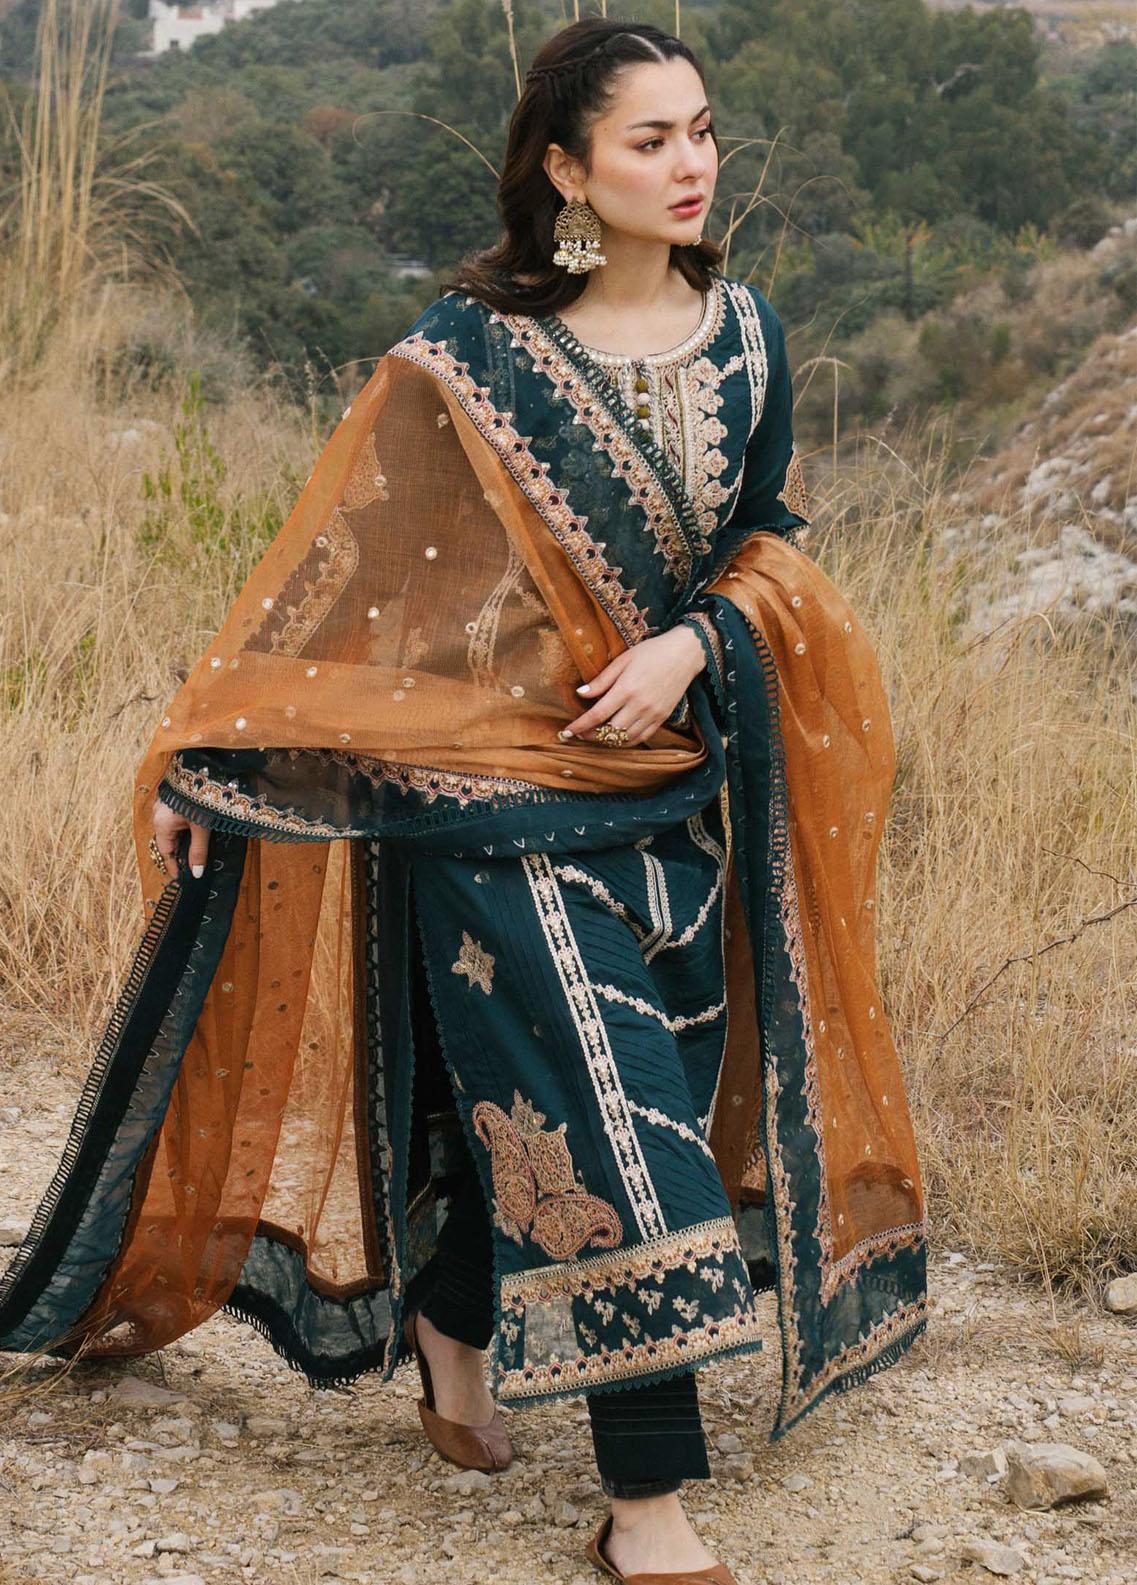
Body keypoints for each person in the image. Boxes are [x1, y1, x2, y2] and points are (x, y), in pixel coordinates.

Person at [0, 19, 928, 1584]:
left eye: (701, 131)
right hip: (485, 799)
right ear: (566, 169)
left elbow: (764, 535)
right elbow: (347, 584)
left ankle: (449, 1319)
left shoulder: (746, 336)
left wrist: (694, 644)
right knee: (616, 1126)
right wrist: (210, 755)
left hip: (667, 794)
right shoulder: (467, 353)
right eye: (648, 140)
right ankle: (646, 1502)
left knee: (565, 1094)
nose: (690, 164)